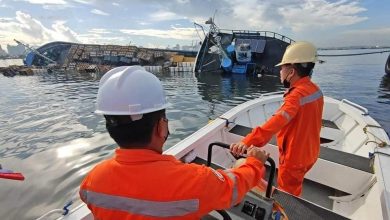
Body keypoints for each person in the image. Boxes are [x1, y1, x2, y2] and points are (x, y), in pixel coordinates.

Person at [79, 66, 270, 219]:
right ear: (161, 127)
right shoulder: (194, 180)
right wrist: (255, 162)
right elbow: (232, 188)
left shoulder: (92, 180)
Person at [230, 41, 324, 196]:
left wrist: (245, 142)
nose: (280, 71)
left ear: (291, 72)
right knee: (295, 186)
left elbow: (271, 127)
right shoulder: (315, 90)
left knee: (288, 197)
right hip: (311, 151)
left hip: (295, 158)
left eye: (282, 68)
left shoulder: (295, 97)